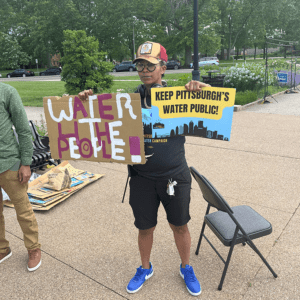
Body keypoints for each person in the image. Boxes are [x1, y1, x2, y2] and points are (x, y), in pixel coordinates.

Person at [78, 41, 209, 296]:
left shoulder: (181, 98)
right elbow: (96, 123)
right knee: (145, 227)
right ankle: (145, 268)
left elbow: (211, 113)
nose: (144, 69)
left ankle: (186, 267)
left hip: (174, 176)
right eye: (140, 64)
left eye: (150, 65)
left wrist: (200, 91)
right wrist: (85, 103)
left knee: (180, 225)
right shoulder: (129, 101)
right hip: (141, 178)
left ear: (163, 68)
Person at [0, 82, 42, 271]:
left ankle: (33, 248)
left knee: (23, 210)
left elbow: (24, 130)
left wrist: (26, 163)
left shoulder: (7, 92)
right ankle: (2, 248)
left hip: (10, 163)